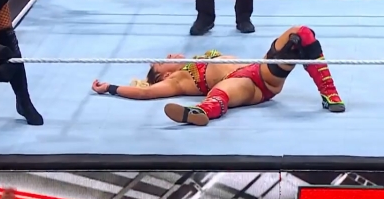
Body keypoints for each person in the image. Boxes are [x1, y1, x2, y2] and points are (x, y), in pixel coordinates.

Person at [91, 26, 345, 126]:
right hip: (248, 86)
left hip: (259, 69)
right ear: (163, 75)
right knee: (223, 90)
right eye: (162, 62)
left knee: (301, 34)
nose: (168, 55)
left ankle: (329, 93)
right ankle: (201, 112)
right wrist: (110, 88)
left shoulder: (197, 60)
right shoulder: (177, 80)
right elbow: (144, 92)